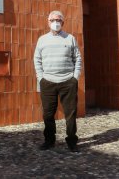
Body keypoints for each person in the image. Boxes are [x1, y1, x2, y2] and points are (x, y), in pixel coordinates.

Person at [33, 10, 82, 152]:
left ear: (63, 22)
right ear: (48, 22)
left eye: (59, 20)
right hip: (47, 81)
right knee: (48, 114)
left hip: (68, 82)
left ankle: (72, 141)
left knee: (70, 113)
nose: (56, 23)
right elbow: (37, 59)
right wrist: (41, 78)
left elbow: (78, 58)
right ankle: (49, 140)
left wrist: (75, 77)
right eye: (53, 20)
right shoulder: (42, 40)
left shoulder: (70, 38)